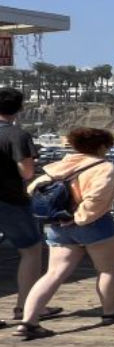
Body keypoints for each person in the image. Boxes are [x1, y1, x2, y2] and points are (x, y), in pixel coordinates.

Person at [18, 127, 114, 338]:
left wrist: (62, 217)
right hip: (94, 224)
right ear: (101, 146)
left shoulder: (62, 165)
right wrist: (78, 218)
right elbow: (96, 199)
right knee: (107, 270)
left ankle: (29, 321)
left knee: (53, 273)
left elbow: (33, 189)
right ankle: (111, 312)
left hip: (59, 225)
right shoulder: (105, 168)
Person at [0, 86, 54, 326]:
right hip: (9, 200)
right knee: (31, 249)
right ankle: (26, 306)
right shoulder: (16, 135)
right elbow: (27, 171)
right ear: (19, 109)